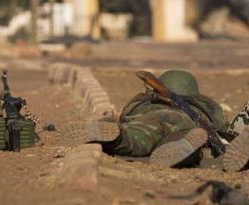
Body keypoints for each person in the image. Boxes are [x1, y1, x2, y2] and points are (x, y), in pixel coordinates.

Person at [58, 69, 228, 167]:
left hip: (148, 118)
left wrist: (122, 126)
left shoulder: (145, 101)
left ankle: (114, 134)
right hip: (184, 125)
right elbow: (221, 125)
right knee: (185, 143)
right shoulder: (199, 109)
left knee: (134, 137)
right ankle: (182, 148)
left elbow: (126, 115)